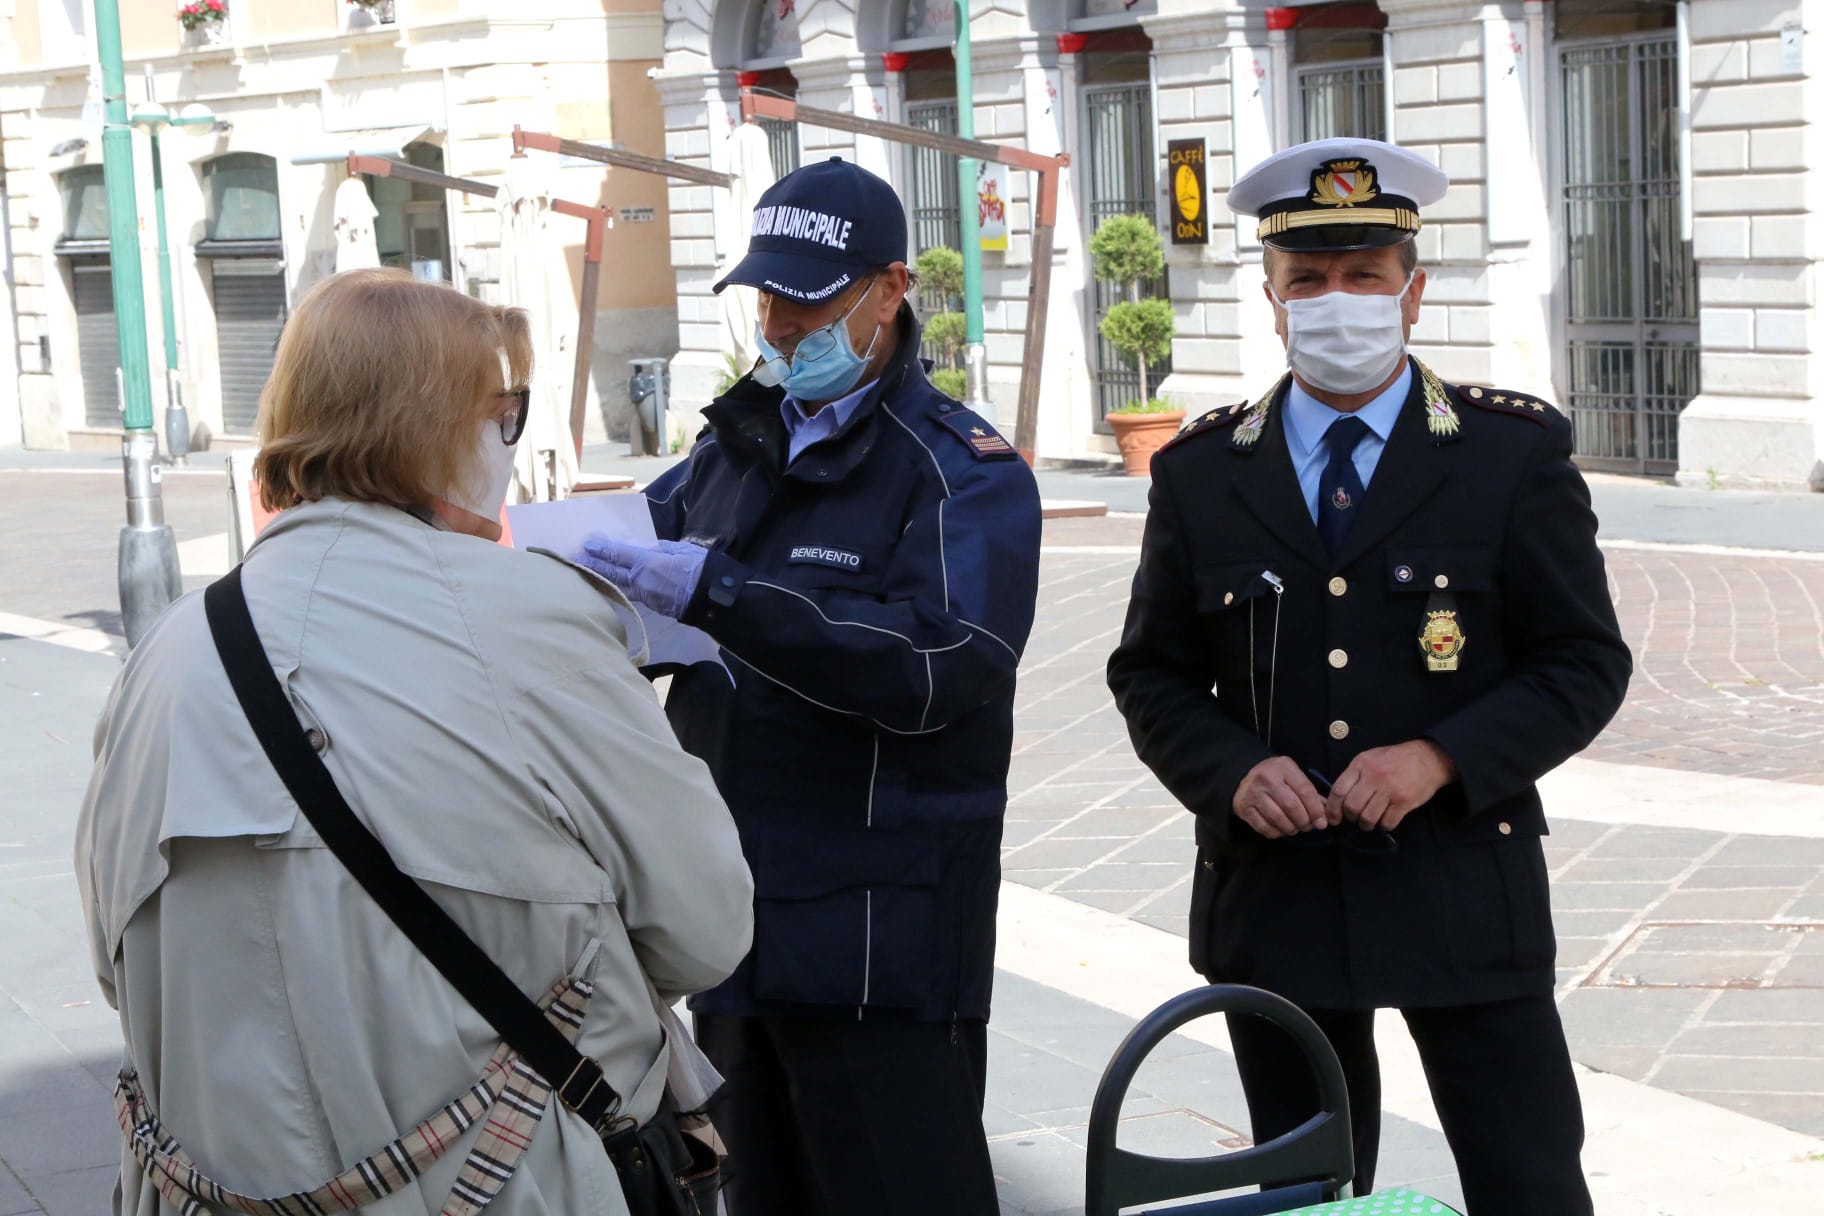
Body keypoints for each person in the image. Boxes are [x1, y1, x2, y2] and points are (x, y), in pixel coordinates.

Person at [74, 268, 753, 1215]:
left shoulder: (165, 654)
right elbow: (706, 924)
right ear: (436, 429)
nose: (508, 446)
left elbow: (118, 967)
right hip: (512, 1184)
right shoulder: (532, 619)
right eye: (504, 415)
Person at [1106, 138, 1631, 1213]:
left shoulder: (1504, 456)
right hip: (1279, 890)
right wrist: (1232, 771)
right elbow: (1151, 672)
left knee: (1528, 1178)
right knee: (1306, 1190)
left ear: (1414, 292)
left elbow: (1584, 660)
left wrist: (1444, 754)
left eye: (1363, 277)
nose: (1337, 301)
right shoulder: (1206, 474)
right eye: (1310, 281)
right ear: (1273, 299)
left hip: (1461, 886)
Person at [575, 157, 1042, 1216]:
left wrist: (725, 595)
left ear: (891, 289)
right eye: (769, 298)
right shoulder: (734, 444)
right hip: (731, 915)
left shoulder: (960, 471)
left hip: (880, 943)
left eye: (812, 300)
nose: (784, 326)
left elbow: (940, 666)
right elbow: (629, 559)